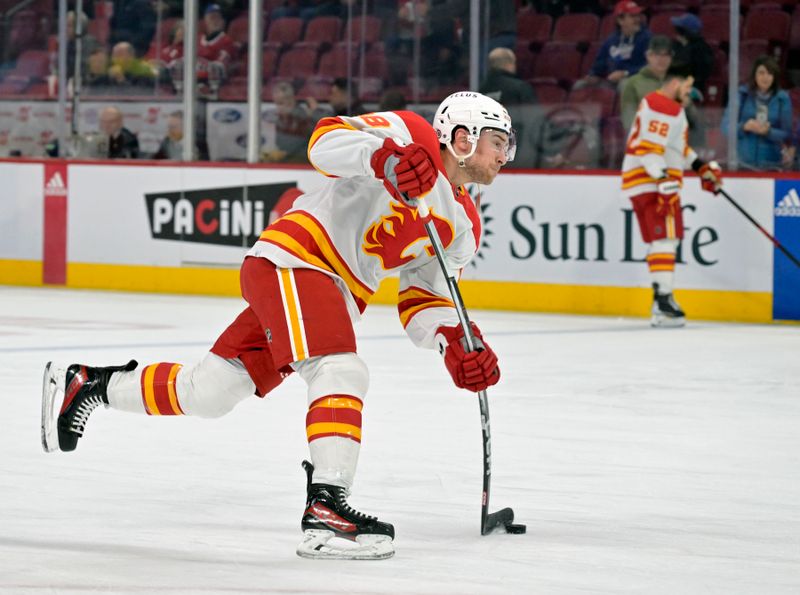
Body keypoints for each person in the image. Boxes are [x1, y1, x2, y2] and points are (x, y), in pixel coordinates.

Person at [41, 91, 513, 560]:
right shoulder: (413, 134)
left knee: (208, 392)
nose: (504, 155)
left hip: (331, 293)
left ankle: (90, 385)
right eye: (497, 141)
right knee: (340, 369)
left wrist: (454, 342)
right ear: (462, 137)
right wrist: (382, 158)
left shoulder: (465, 224)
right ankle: (326, 508)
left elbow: (424, 297)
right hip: (299, 259)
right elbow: (324, 141)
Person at [621, 63, 722, 327]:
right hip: (652, 183)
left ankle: (661, 300)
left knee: (665, 238)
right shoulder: (664, 106)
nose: (689, 92)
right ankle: (663, 302)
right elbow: (649, 148)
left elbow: (677, 148)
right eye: (687, 86)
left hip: (647, 181)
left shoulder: (665, 108)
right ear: (675, 83)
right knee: (665, 237)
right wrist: (662, 178)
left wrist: (701, 167)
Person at [722, 55, 793, 171]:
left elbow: (787, 133)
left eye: (770, 73)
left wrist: (768, 132)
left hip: (772, 164)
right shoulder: (741, 94)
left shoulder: (782, 98)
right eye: (761, 73)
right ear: (754, 75)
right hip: (743, 163)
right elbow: (725, 127)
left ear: (775, 77)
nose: (766, 77)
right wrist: (744, 127)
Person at [585, 0, 650, 88]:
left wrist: (625, 73)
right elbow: (601, 62)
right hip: (612, 80)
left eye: (638, 15)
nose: (637, 19)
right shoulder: (611, 39)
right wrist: (593, 74)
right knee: (581, 85)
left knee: (625, 85)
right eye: (632, 16)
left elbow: (650, 66)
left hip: (636, 79)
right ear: (620, 20)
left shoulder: (648, 38)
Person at [620, 35, 673, 131]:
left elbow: (692, 119)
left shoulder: (677, 84)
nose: (661, 59)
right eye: (657, 55)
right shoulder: (633, 83)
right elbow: (629, 119)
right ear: (648, 56)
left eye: (666, 55)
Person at [264, 81, 326, 163]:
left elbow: (304, 143)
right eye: (277, 103)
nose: (278, 107)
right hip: (290, 162)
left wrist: (285, 154)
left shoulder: (302, 116)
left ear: (290, 99)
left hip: (303, 162)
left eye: (281, 103)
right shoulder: (281, 118)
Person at [198, 3, 238, 96]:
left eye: (218, 18)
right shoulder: (197, 39)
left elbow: (220, 67)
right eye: (212, 18)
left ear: (223, 22)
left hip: (212, 84)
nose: (215, 21)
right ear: (205, 21)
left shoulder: (226, 41)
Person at [670, 13, 713, 96]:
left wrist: (685, 48)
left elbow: (699, 73)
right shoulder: (676, 45)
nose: (676, 33)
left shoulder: (702, 49)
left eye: (679, 30)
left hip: (692, 88)